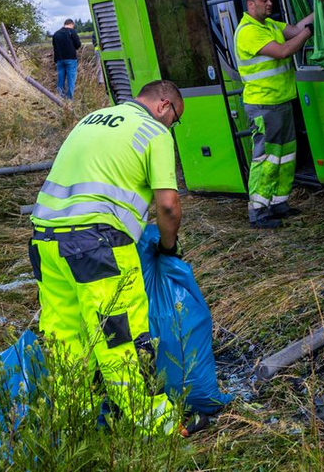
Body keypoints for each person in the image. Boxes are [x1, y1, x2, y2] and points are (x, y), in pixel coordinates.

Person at [29, 79, 189, 434]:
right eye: (174, 119)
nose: (171, 126)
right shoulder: (154, 132)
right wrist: (167, 247)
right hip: (96, 248)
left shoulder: (93, 118)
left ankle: (76, 427)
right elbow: (167, 206)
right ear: (164, 106)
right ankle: (158, 427)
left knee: (66, 338)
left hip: (45, 242)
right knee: (121, 337)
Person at [234, 0, 312, 230]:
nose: (270, 4)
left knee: (285, 156)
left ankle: (279, 203)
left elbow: (295, 29)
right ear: (251, 4)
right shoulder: (248, 32)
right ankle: (258, 211)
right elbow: (284, 50)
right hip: (264, 105)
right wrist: (308, 33)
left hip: (279, 102)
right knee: (266, 158)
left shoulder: (268, 25)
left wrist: (318, 11)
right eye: (265, 0)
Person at [51, 18, 82, 101]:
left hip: (59, 59)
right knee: (71, 79)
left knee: (60, 78)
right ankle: (69, 98)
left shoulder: (56, 34)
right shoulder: (72, 32)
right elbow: (78, 44)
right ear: (71, 24)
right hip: (70, 59)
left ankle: (60, 96)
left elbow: (54, 46)